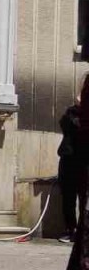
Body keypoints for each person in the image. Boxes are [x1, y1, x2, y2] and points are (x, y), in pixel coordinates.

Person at [58, 80, 89, 243]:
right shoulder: (71, 114)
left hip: (84, 161)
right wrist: (77, 108)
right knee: (68, 198)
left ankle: (83, 232)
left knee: (84, 199)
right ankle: (71, 230)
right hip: (69, 160)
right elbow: (67, 125)